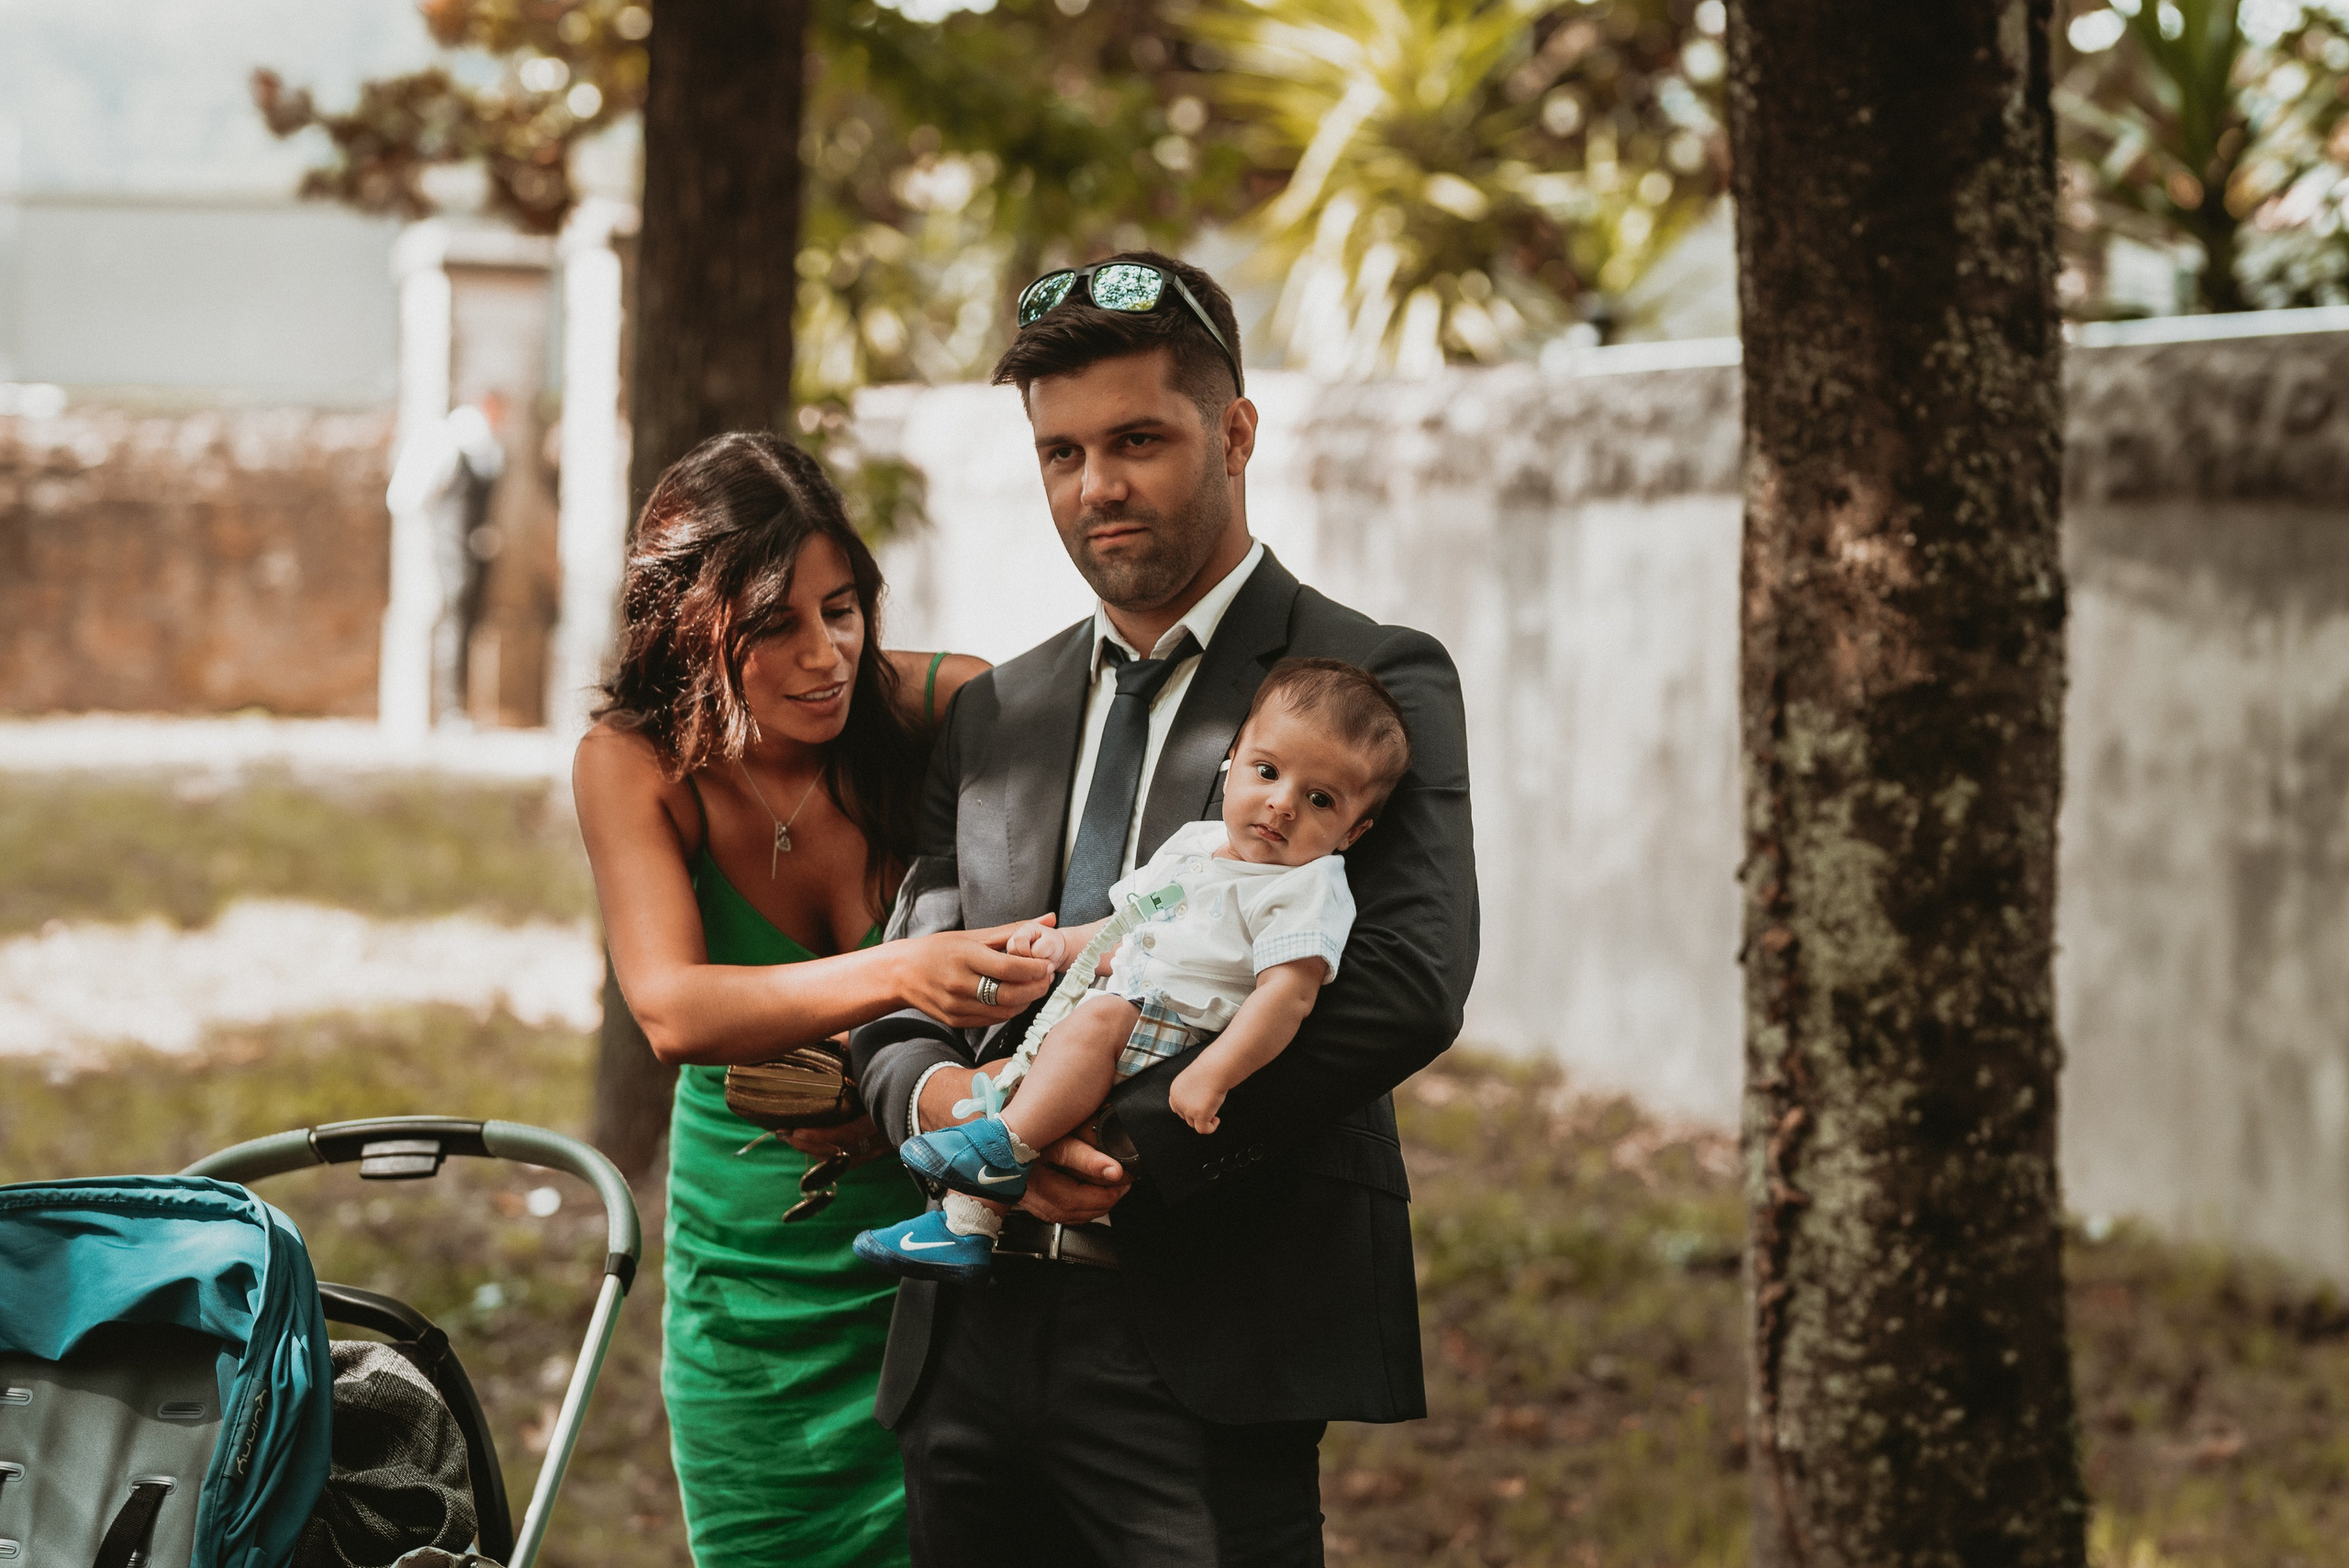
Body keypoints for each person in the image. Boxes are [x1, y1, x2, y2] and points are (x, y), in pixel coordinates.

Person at [851, 252, 1478, 1565]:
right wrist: (945, 1104)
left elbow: (1405, 981)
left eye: (1137, 440)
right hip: (966, 1347)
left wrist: (1117, 1145)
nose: (1098, 487)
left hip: (1207, 1340)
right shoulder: (995, 708)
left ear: (1235, 432)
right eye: (1062, 452)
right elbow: (905, 980)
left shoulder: (1370, 681)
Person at [571, 430, 1054, 1568]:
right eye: (775, 624)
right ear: (689, 624)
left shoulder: (951, 705)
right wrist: (900, 971)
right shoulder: (634, 763)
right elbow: (671, 1006)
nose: (825, 653)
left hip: (950, 1243)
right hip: (755, 1273)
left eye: (841, 610)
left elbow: (1052, 936)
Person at [855, 659, 1412, 1282]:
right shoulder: (1195, 847)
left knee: (1094, 1026)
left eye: (1319, 800)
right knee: (1033, 1078)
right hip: (1127, 1004)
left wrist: (1214, 1073)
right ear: (1232, 759)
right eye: (1267, 771)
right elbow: (1126, 927)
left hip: (1183, 1032)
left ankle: (997, 1151)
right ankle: (963, 1227)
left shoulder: (1305, 886)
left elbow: (1287, 996)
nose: (1282, 804)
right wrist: (1061, 947)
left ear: (1353, 832)